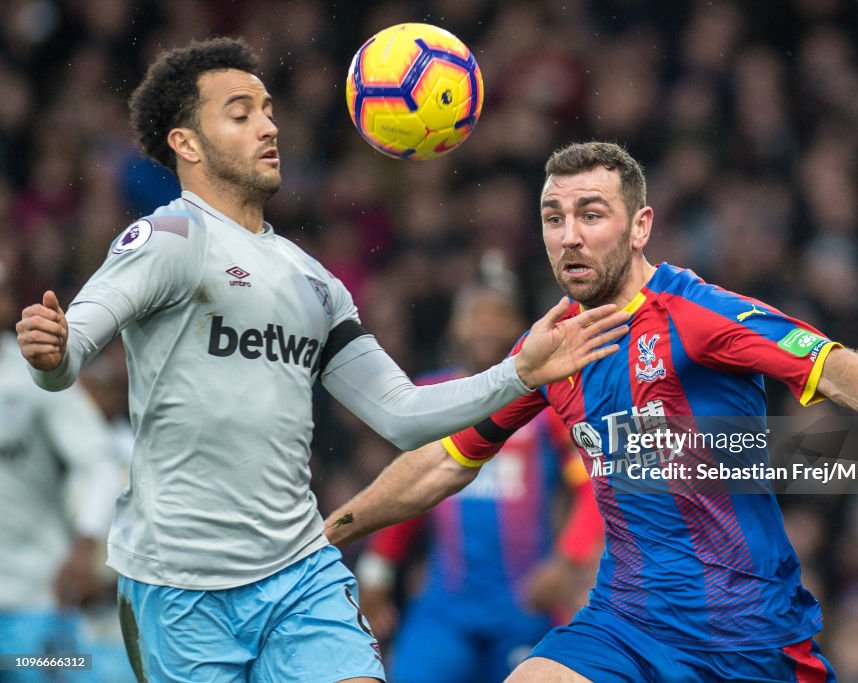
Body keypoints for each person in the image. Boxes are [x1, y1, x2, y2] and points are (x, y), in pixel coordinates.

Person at [13, 39, 628, 683]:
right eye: (241, 112)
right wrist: (50, 353)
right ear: (187, 144)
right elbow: (69, 349)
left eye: (269, 110)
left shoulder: (317, 283)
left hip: (299, 571)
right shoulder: (168, 239)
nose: (270, 125)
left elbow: (402, 414)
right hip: (180, 584)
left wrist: (521, 371)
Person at [325, 141, 858, 683]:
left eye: (591, 214)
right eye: (553, 217)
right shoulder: (548, 349)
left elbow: (825, 360)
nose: (568, 235)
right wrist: (327, 534)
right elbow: (443, 464)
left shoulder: (699, 313)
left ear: (639, 225)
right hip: (625, 622)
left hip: (746, 634)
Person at [355, 280, 604, 683]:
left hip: (524, 606)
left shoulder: (549, 401)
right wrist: (378, 571)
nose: (486, 327)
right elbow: (408, 489)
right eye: (476, 316)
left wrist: (568, 560)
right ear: (455, 327)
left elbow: (593, 486)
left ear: (521, 328)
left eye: (499, 316)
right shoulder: (430, 394)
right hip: (445, 609)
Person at [0, 263, 123, 683]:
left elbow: (99, 463)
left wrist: (86, 540)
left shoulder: (33, 374)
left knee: (63, 670)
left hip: (33, 598)